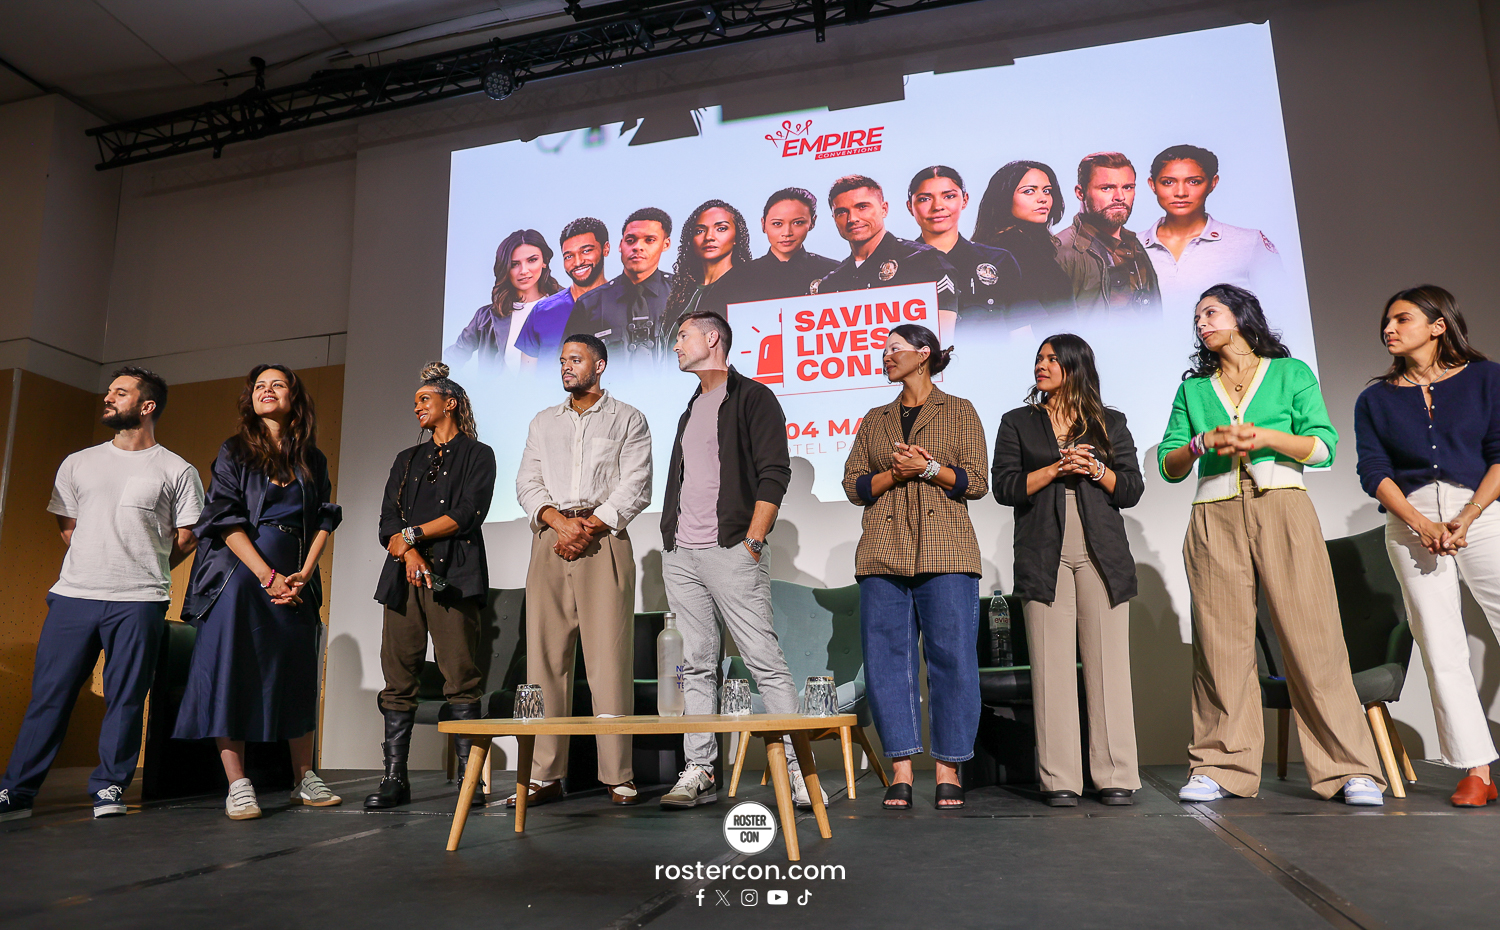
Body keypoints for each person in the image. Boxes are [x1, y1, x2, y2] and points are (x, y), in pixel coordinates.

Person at [1159, 284, 1385, 805]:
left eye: (1211, 312)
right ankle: (1219, 766)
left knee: (1314, 639)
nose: (1201, 323)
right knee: (1220, 647)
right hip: (1214, 514)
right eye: (1197, 317)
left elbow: (1323, 447)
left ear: (1241, 316)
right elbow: (1170, 465)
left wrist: (1265, 438)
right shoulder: (1195, 390)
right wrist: (1200, 443)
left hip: (1283, 508)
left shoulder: (1290, 373)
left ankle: (1350, 769)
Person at [0, 368, 204, 822]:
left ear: (147, 406)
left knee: (126, 697)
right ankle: (16, 791)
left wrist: (146, 567)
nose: (108, 398)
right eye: (109, 391)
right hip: (73, 597)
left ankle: (110, 787)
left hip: (139, 601)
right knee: (49, 696)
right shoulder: (78, 462)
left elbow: (188, 535)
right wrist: (97, 559)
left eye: (120, 392)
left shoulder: (177, 469)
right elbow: (68, 526)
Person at [658, 311, 820, 809]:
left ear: (713, 338)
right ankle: (700, 768)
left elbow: (774, 471)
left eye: (683, 336)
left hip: (731, 549)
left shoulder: (753, 397)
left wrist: (752, 539)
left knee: (763, 661)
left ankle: (797, 770)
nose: (676, 345)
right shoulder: (691, 406)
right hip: (683, 554)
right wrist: (672, 540)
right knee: (696, 664)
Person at [173, 364, 343, 820]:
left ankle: (304, 778)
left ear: (294, 398)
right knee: (232, 672)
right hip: (239, 577)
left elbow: (325, 518)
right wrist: (268, 577)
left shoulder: (313, 458)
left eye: (277, 385)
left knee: (297, 672)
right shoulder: (234, 451)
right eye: (260, 386)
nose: (267, 391)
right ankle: (238, 784)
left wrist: (305, 572)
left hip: (295, 579)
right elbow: (224, 518)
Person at [1354, 285, 1500, 807]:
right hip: (1409, 521)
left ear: (1439, 326)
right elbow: (1373, 470)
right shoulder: (1375, 399)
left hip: (1479, 513)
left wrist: (1467, 515)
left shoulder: (1487, 378)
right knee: (1440, 645)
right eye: (1386, 320)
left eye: (1402, 319)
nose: (1389, 328)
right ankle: (1476, 769)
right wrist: (1418, 522)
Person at [839, 324, 988, 810]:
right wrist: (894, 473)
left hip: (946, 550)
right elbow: (853, 485)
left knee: (953, 661)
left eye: (894, 350)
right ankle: (900, 769)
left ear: (923, 355)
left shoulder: (959, 410)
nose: (885, 356)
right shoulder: (875, 419)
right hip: (882, 552)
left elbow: (977, 481)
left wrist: (927, 469)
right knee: (886, 663)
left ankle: (949, 769)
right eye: (883, 351)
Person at [991, 335, 1143, 807]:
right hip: (1042, 548)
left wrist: (1095, 469)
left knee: (1107, 665)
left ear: (1075, 367)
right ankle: (1059, 778)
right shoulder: (1017, 422)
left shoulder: (1109, 422)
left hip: (1100, 548)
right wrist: (1056, 470)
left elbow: (1131, 488)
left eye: (1053, 359)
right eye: (1039, 358)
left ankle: (1115, 774)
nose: (1042, 365)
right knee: (1050, 667)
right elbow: (1005, 487)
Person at [512, 334, 653, 808]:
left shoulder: (628, 417)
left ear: (600, 364)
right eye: (562, 361)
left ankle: (617, 774)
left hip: (603, 539)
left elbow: (637, 483)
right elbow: (527, 481)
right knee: (544, 660)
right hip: (550, 540)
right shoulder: (542, 421)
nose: (566, 367)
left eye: (575, 359)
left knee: (608, 661)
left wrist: (587, 527)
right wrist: (559, 523)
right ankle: (544, 774)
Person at [367, 363, 497, 810]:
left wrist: (412, 536)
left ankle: (468, 778)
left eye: (425, 399)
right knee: (398, 677)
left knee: (460, 677)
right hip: (404, 578)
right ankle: (394, 779)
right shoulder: (406, 459)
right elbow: (387, 521)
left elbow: (466, 514)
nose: (417, 407)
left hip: (454, 578)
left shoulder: (478, 455)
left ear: (450, 403)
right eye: (416, 401)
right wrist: (410, 552)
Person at [1138, 145, 1285, 318]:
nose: (1180, 192)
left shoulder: (1249, 243)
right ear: (1152, 185)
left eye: (1194, 182)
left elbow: (1283, 312)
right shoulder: (1128, 246)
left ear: (1212, 183)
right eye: (1168, 182)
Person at [815, 175, 957, 329]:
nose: (852, 219)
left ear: (884, 209)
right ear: (834, 218)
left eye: (862, 207)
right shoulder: (831, 283)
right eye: (842, 212)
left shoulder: (924, 261)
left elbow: (945, 336)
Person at [904, 165, 1028, 332]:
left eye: (949, 196)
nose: (938, 206)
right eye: (925, 199)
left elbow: (1021, 333)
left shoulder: (999, 260)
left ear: (965, 200)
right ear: (910, 207)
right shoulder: (900, 266)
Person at [700, 188, 839, 316]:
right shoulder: (735, 279)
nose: (787, 233)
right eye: (777, 224)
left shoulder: (833, 272)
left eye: (798, 223)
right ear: (763, 224)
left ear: (812, 222)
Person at [1055, 152, 1160, 318]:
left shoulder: (1134, 243)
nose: (1120, 197)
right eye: (1107, 188)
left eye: (1127, 187)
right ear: (1080, 193)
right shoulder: (1062, 251)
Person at [564, 208, 676, 364]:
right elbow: (571, 363)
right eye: (630, 240)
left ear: (666, 244)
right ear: (620, 245)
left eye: (649, 240)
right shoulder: (589, 304)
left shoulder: (685, 293)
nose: (637, 247)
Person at [448, 229, 563, 371]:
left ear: (544, 261)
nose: (524, 270)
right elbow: (451, 359)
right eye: (514, 264)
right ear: (505, 269)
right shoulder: (485, 318)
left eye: (532, 260)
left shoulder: (570, 305)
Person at [971, 159, 1075, 311]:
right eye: (1029, 191)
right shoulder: (1007, 251)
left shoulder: (1035, 245)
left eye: (1046, 191)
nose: (1043, 198)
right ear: (1004, 198)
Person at [516, 217, 613, 369]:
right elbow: (526, 376)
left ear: (605, 248)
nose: (577, 262)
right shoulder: (542, 311)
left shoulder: (628, 304)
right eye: (568, 256)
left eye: (586, 251)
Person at [664, 200, 753, 334]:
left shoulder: (747, 288)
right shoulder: (682, 294)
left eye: (721, 228)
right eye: (700, 231)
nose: (709, 237)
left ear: (736, 236)